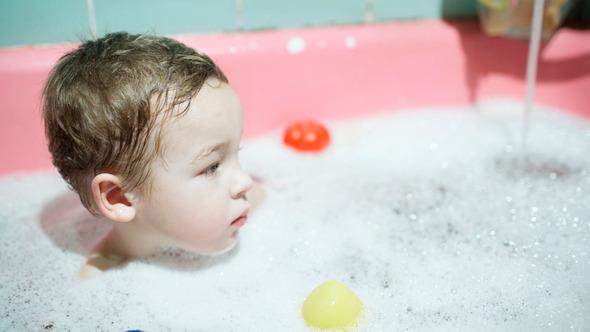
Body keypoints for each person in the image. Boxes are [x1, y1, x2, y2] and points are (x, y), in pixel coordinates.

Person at [43, 32, 263, 279]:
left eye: (237, 152)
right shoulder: (104, 287)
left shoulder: (249, 201)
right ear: (120, 198)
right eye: (212, 167)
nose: (245, 182)